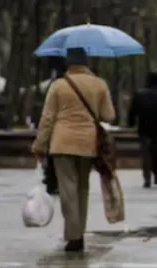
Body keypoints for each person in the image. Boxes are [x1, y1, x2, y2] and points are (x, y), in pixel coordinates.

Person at [31, 48, 115, 252]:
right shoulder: (99, 84)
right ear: (86, 63)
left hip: (62, 142)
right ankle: (79, 233)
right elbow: (109, 115)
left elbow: (48, 118)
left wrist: (40, 145)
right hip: (88, 143)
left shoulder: (59, 85)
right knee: (82, 188)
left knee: (68, 189)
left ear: (68, 63)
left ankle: (73, 236)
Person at [128, 72, 157, 188]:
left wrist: (131, 123)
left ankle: (147, 175)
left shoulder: (138, 95)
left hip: (144, 128)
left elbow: (132, 112)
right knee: (156, 152)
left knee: (145, 153)